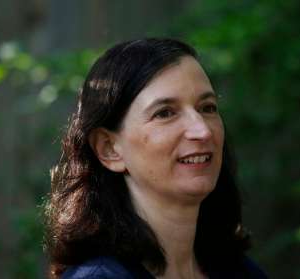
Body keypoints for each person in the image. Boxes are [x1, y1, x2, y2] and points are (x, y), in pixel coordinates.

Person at [44, 38, 268, 279]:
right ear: (109, 149)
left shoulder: (241, 272)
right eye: (165, 113)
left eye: (208, 108)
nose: (202, 130)